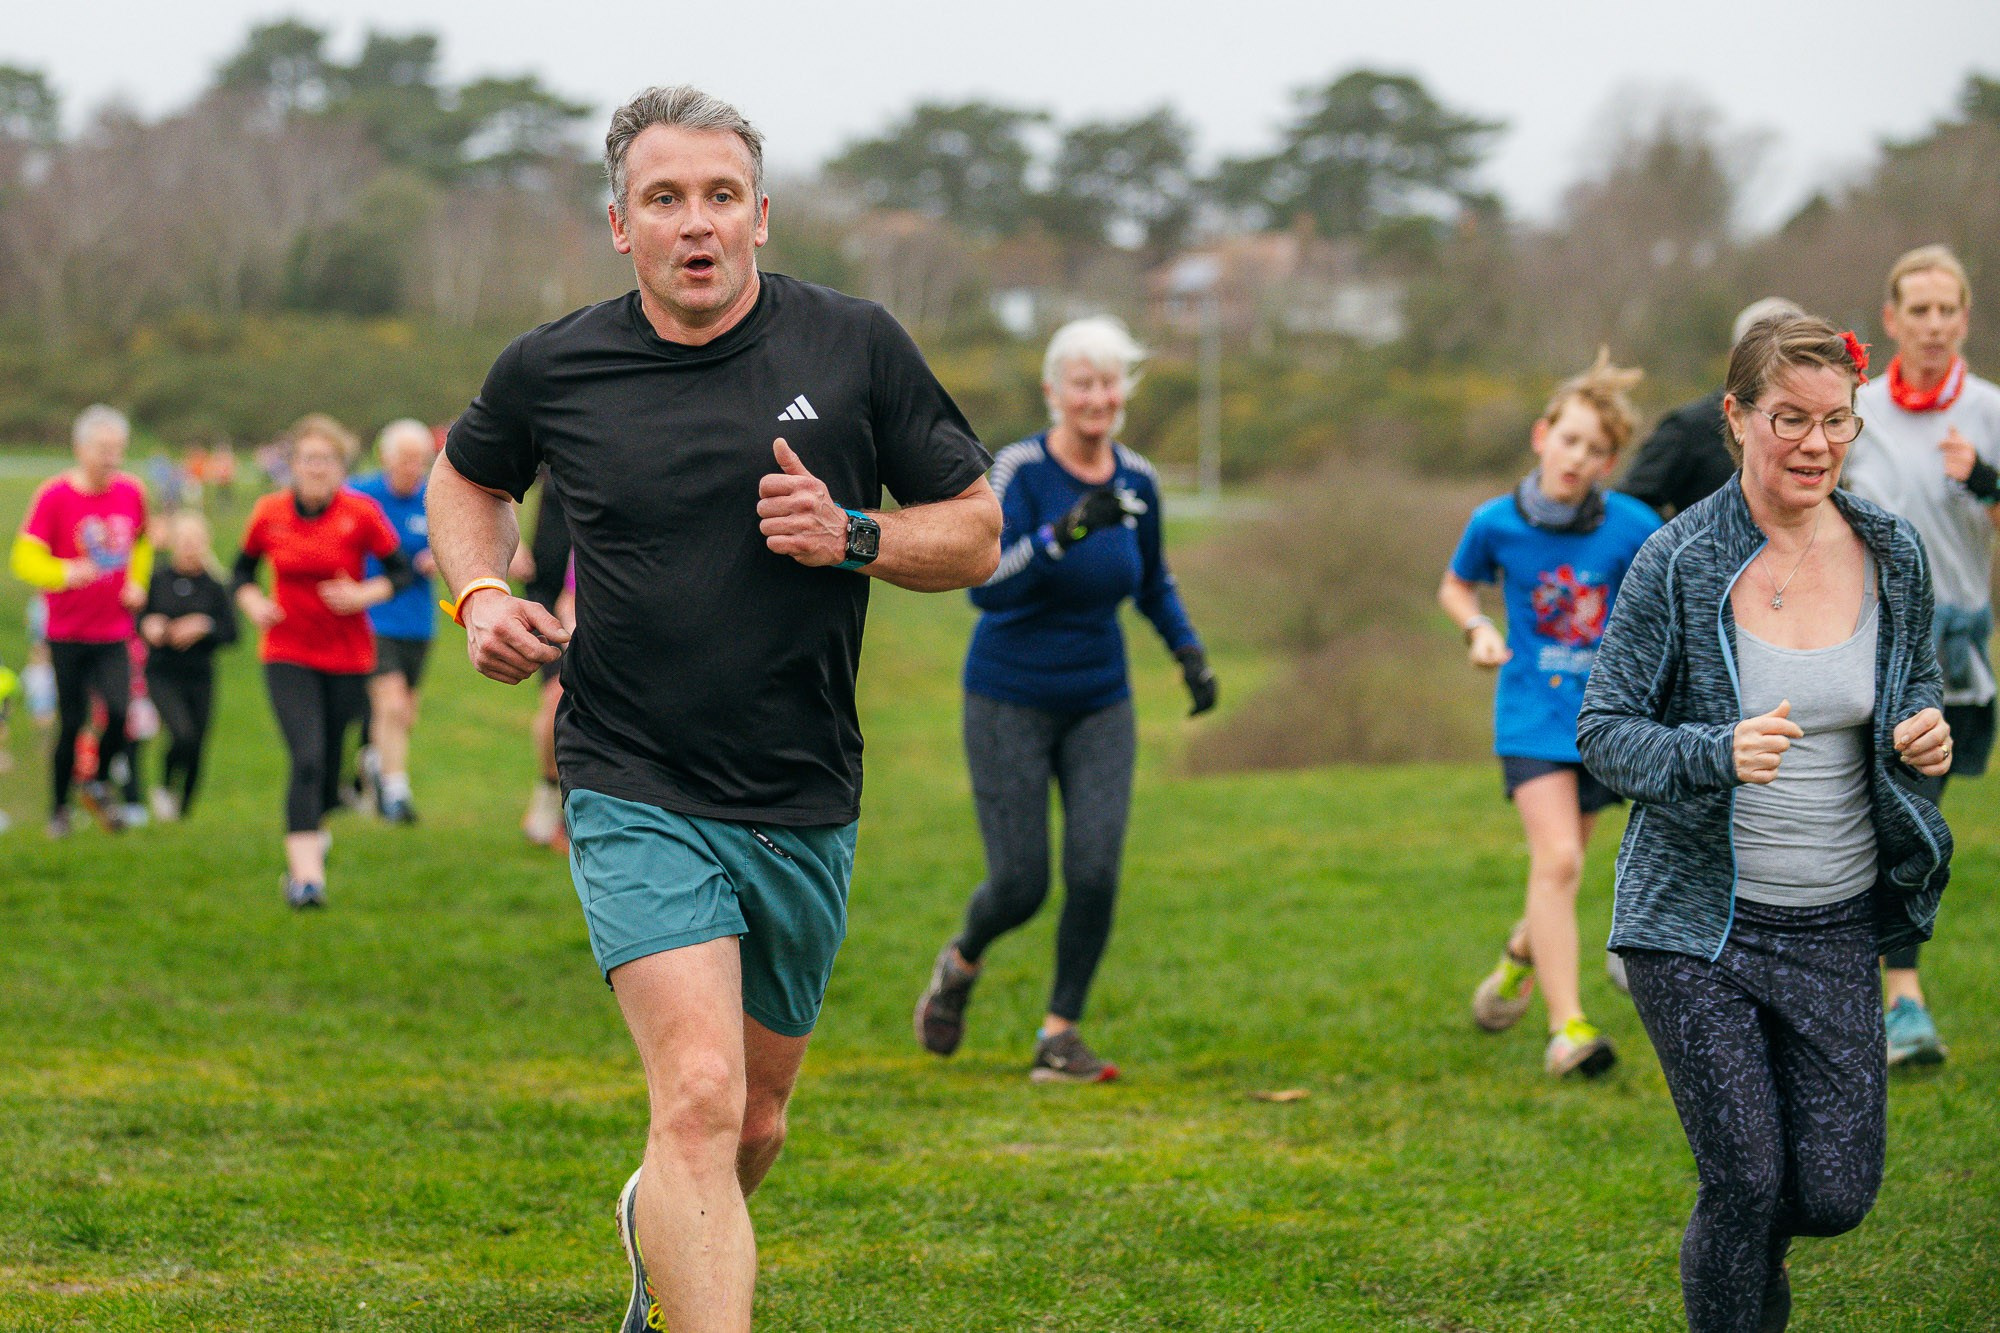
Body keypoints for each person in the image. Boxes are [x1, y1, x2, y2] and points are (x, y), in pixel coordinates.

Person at [425, 86, 999, 1333]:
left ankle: (658, 1236)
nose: (697, 223)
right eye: (665, 199)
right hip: (630, 776)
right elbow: (465, 475)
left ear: (761, 217)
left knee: (750, 1121)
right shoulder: (553, 363)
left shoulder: (854, 345)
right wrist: (477, 595)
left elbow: (973, 537)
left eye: (720, 197)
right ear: (620, 226)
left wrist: (854, 534)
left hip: (799, 789)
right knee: (692, 1090)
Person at [1578, 313, 1952, 1333]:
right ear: (1736, 417)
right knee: (1743, 1179)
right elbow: (1603, 732)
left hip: (1831, 920)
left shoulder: (1890, 552)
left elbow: (1908, 682)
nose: (1813, 443)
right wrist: (1711, 751)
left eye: (1835, 421)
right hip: (1695, 924)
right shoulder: (1675, 559)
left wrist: (1921, 733)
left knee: (1828, 1195)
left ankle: (1744, 1269)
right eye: (1788, 418)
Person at [912, 316, 1216, 1084]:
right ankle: (959, 962)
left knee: (1096, 869)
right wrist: (1064, 535)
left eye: (1110, 382)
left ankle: (1060, 1033)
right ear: (1054, 391)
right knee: (1020, 882)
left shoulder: (1138, 480)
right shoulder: (1021, 469)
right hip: (1008, 693)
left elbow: (1152, 581)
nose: (1098, 396)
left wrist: (1188, 653)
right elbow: (986, 581)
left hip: (1099, 701)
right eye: (1082, 382)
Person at [1438, 351, 1660, 1077]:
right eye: (1569, 439)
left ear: (1609, 461)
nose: (1578, 457)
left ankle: (1514, 961)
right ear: (1542, 435)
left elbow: (1658, 612)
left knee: (1560, 871)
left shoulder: (1632, 527)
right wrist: (1478, 628)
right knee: (1559, 859)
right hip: (1530, 711)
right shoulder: (1495, 522)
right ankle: (1568, 1029)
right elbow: (1456, 586)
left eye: (1596, 450)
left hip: (1603, 722)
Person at [1841, 243, 1998, 1067]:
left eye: (1949, 310)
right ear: (1894, 319)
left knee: (1910, 820)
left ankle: (1895, 1002)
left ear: (1964, 318)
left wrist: (1989, 485)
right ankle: (1887, 998)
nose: (1935, 325)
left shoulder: (1988, 410)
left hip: (1951, 655)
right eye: (1920, 310)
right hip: (1857, 644)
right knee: (1860, 816)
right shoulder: (1856, 408)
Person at [233, 414, 413, 909]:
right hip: (287, 651)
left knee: (331, 763)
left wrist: (361, 594)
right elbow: (240, 574)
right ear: (291, 464)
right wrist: (253, 604)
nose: (317, 467)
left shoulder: (362, 512)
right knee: (307, 758)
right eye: (308, 458)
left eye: (328, 459)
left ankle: (317, 824)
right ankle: (306, 879)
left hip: (349, 655)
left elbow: (400, 575)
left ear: (341, 466)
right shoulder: (268, 512)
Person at [9, 405, 152, 837]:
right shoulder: (55, 496)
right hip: (67, 632)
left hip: (113, 631)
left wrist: (138, 583)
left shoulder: (131, 492)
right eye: (103, 449)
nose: (112, 458)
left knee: (120, 711)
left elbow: (142, 543)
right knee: (71, 722)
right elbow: (23, 558)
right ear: (79, 448)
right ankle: (59, 809)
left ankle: (95, 782)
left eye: (118, 450)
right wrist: (64, 573)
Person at [1623, 299, 1805, 519]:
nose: (1781, 364)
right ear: (1735, 357)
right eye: (1766, 353)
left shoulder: (1822, 427)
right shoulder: (1687, 428)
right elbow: (1628, 505)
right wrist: (1684, 542)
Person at [349, 419, 440, 824]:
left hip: (418, 622)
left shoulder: (435, 497)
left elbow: (460, 539)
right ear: (385, 457)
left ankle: (371, 763)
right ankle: (396, 794)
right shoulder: (360, 495)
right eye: (404, 459)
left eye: (419, 460)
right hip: (372, 617)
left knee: (405, 713)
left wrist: (441, 557)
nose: (412, 467)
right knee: (391, 702)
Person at [139, 511, 239, 820]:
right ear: (173, 544)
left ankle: (184, 811)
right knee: (181, 733)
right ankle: (166, 788)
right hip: (163, 671)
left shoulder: (215, 585)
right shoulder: (157, 578)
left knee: (198, 742)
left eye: (196, 541)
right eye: (184, 541)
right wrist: (149, 624)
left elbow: (232, 633)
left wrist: (204, 625)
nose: (190, 547)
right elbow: (136, 617)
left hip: (200, 674)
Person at [513, 468, 572, 851]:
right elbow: (488, 479)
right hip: (547, 596)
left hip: (603, 592)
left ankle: (575, 813)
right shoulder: (555, 427)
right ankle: (550, 788)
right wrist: (512, 542)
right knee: (555, 702)